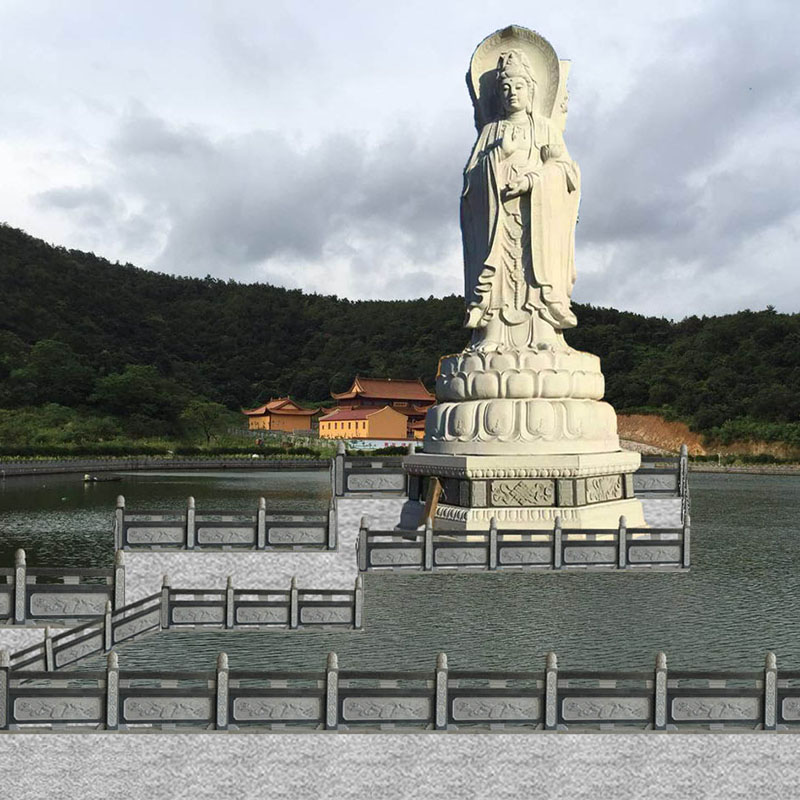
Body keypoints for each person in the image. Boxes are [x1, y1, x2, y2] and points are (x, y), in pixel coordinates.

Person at [461, 48, 581, 352]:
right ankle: (494, 334)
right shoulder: (491, 131)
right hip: (499, 220)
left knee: (536, 275)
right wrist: (498, 153)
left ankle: (543, 330)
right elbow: (470, 184)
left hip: (535, 217)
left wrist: (534, 181)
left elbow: (567, 174)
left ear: (532, 90)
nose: (512, 93)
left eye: (518, 87)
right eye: (505, 88)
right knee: (499, 276)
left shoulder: (545, 128)